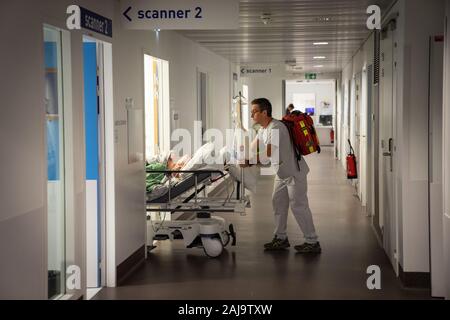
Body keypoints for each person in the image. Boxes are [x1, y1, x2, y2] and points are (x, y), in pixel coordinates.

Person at [246, 98, 321, 253]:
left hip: (294, 173)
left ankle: (312, 241)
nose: (251, 115)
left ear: (264, 112)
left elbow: (267, 157)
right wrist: (238, 154)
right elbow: (252, 148)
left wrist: (249, 161)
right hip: (282, 173)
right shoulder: (263, 129)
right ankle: (280, 238)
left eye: (254, 111)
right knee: (278, 202)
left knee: (298, 206)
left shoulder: (276, 129)